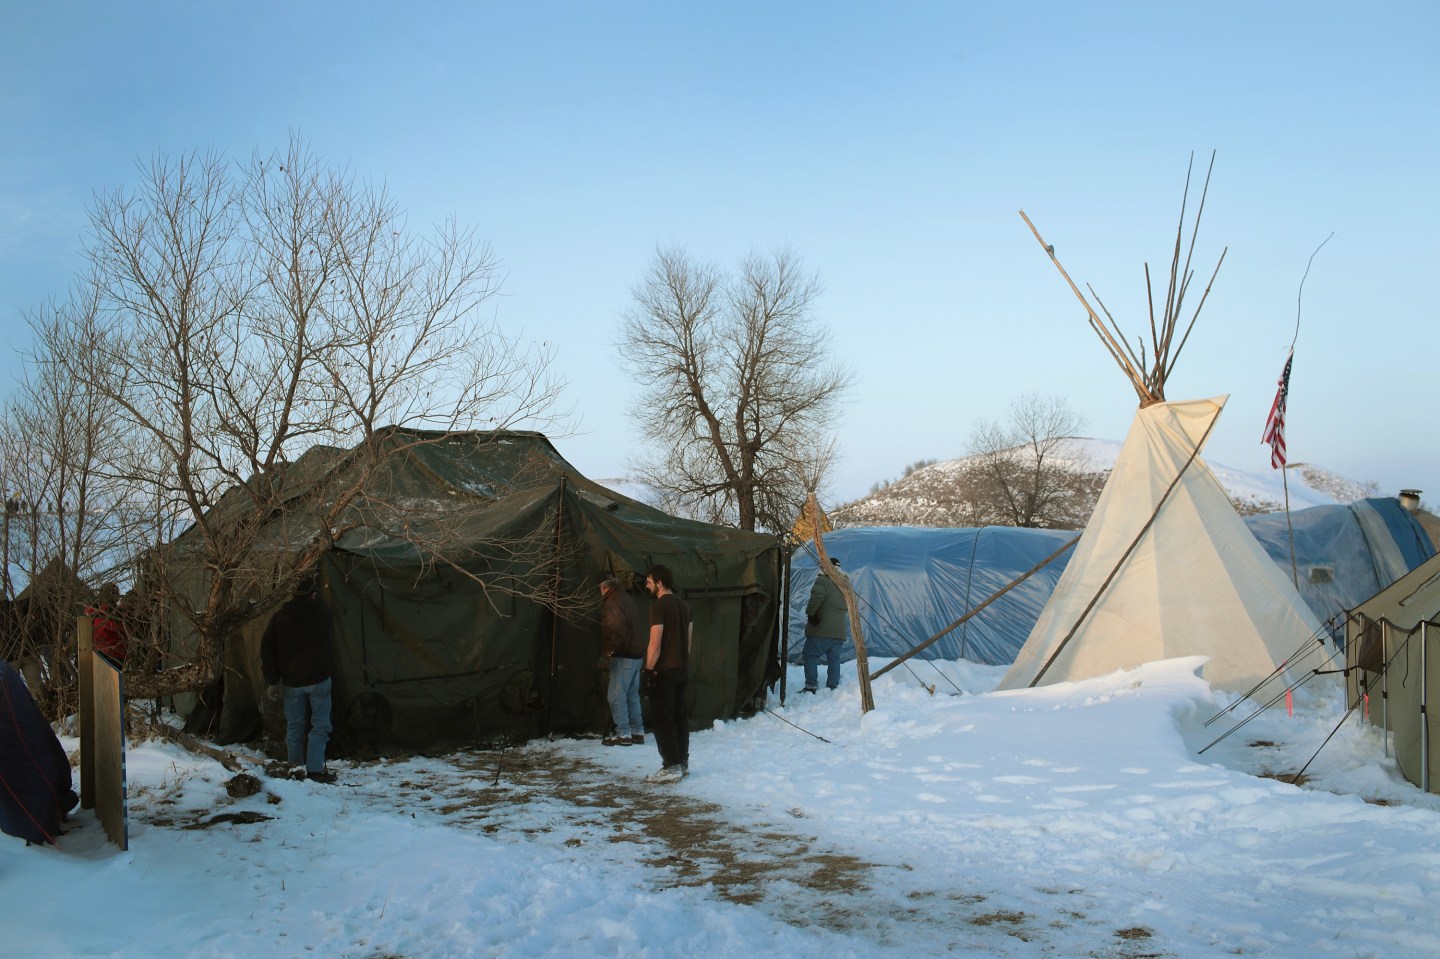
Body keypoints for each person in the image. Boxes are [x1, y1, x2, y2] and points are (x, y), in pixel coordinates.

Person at [260, 573, 336, 783]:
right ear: (313, 593)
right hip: (319, 678)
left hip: (292, 682)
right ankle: (313, 770)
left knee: (294, 727)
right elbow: (330, 623)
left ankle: (295, 769)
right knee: (320, 726)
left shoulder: (279, 617)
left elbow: (267, 649)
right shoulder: (322, 612)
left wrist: (273, 680)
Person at [642, 564, 691, 784]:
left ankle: (671, 766)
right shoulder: (684, 605)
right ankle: (681, 763)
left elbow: (655, 643)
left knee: (663, 719)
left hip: (664, 671)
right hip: (682, 669)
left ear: (659, 583)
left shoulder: (659, 607)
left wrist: (648, 670)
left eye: (649, 581)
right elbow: (688, 642)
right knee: (679, 717)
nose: (647, 585)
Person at [598, 576, 646, 747]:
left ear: (605, 587)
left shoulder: (612, 603)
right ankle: (637, 732)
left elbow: (618, 631)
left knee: (616, 696)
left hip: (623, 655)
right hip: (637, 655)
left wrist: (607, 653)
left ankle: (623, 734)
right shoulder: (628, 599)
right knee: (631, 694)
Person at [803, 557, 850, 693]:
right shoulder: (846, 583)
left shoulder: (823, 580)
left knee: (810, 655)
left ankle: (811, 685)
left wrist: (811, 614)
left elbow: (817, 596)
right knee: (834, 658)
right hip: (839, 630)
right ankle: (833, 686)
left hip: (821, 629)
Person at [86, 583, 127, 665]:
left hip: (99, 653)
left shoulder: (93, 613)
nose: (118, 598)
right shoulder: (111, 614)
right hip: (114, 653)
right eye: (116, 595)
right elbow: (119, 630)